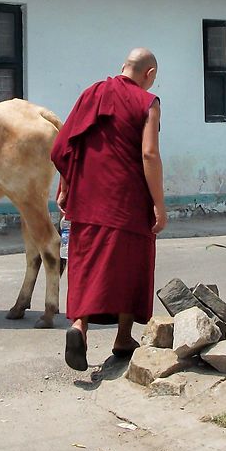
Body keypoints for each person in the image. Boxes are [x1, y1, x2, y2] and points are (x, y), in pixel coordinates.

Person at [51, 47, 167, 371]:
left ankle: (79, 327)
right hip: (127, 200)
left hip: (86, 198)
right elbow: (149, 155)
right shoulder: (148, 103)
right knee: (131, 265)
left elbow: (67, 144)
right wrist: (160, 205)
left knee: (86, 263)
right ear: (150, 74)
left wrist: (64, 187)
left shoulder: (93, 93)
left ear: (123, 67)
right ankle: (123, 337)